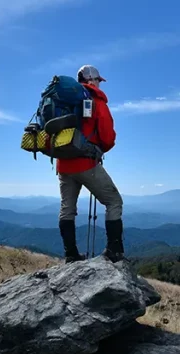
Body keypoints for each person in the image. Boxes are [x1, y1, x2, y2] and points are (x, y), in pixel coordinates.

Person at [57, 65, 124, 263]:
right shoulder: (96, 100)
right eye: (98, 80)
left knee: (67, 208)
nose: (99, 84)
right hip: (86, 163)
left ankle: (71, 254)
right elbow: (107, 136)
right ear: (92, 79)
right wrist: (100, 148)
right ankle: (114, 250)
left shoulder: (64, 99)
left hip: (63, 163)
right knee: (114, 202)